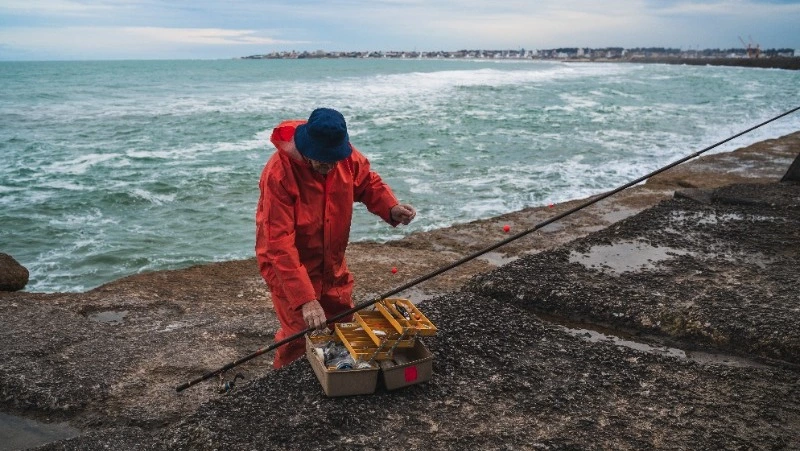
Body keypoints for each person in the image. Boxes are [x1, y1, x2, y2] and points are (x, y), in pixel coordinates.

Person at [255, 107, 416, 369]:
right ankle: (283, 384)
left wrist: (391, 207)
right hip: (289, 269)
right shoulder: (279, 174)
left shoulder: (344, 157)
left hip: (332, 263)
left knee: (342, 324)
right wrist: (306, 299)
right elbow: (279, 244)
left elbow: (367, 183)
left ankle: (337, 378)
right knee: (299, 335)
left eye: (334, 161)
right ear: (306, 149)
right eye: (322, 161)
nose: (329, 167)